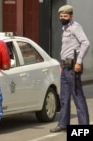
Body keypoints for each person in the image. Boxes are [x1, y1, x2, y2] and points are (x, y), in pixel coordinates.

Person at [50, 5, 90, 133]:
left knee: (77, 97)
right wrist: (62, 63)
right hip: (66, 66)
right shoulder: (65, 28)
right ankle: (63, 124)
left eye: (65, 16)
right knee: (64, 97)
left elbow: (86, 43)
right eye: (61, 16)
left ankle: (83, 127)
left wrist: (78, 62)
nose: (62, 18)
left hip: (73, 67)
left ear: (71, 16)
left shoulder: (75, 27)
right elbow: (67, 48)